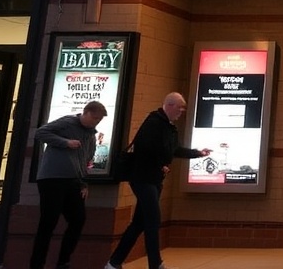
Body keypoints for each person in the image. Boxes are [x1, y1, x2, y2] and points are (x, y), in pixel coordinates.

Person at [105, 93, 212, 269]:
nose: (182, 111)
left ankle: (113, 263)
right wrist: (160, 164)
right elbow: (145, 148)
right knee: (153, 220)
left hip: (153, 179)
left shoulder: (169, 126)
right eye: (180, 107)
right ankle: (155, 264)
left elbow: (174, 149)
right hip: (142, 178)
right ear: (169, 105)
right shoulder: (154, 123)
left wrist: (197, 153)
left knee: (139, 223)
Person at [30, 100, 108, 269]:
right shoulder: (67, 122)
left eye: (99, 120)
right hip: (52, 178)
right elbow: (41, 133)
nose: (96, 122)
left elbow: (85, 160)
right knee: (48, 222)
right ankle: (37, 264)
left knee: (78, 219)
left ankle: (63, 261)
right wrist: (65, 142)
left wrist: (83, 183)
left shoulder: (91, 135)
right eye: (94, 118)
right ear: (85, 113)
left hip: (73, 181)